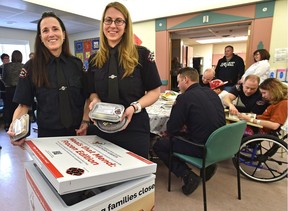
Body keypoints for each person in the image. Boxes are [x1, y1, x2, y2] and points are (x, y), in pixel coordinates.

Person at [77, 2, 162, 159]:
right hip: (101, 128)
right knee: (103, 176)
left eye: (119, 21)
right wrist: (95, 99)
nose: (113, 25)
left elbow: (155, 91)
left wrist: (134, 107)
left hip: (133, 127)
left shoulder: (142, 54)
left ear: (126, 25)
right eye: (108, 20)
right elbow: (92, 91)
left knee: (135, 178)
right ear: (103, 24)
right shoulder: (95, 59)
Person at [7, 11, 87, 146]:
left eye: (55, 29)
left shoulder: (76, 64)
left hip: (79, 133)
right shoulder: (31, 66)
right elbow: (23, 105)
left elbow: (87, 96)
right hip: (48, 137)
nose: (51, 34)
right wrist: (15, 129)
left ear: (63, 34)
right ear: (41, 37)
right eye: (45, 30)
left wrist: (85, 121)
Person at [153, 67, 226, 195]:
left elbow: (172, 129)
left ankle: (187, 175)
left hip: (202, 147)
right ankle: (208, 166)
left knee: (159, 145)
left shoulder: (184, 98)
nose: (177, 85)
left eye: (178, 81)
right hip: (220, 144)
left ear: (185, 80)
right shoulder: (212, 93)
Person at [2, 50, 24, 131]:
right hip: (20, 89)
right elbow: (25, 79)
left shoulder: (6, 66)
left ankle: (7, 124)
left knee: (8, 106)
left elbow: (3, 78)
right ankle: (18, 125)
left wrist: (7, 84)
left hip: (9, 89)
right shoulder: (24, 66)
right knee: (19, 107)